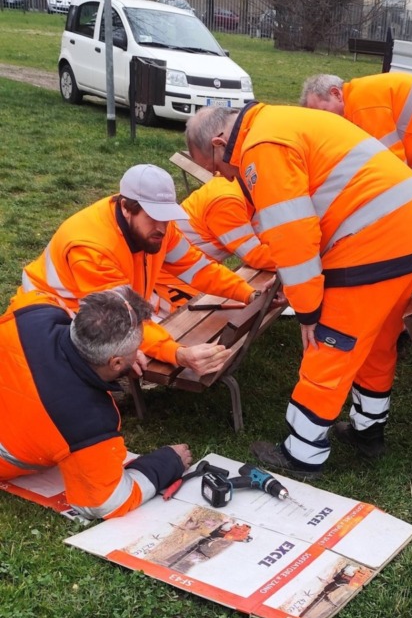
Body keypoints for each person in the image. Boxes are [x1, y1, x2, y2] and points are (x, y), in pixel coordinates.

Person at [185, 102, 412, 472]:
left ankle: (303, 452)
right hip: (408, 233)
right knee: (377, 341)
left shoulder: (261, 148)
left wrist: (308, 310)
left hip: (374, 240)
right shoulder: (278, 120)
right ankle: (368, 432)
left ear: (220, 142)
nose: (225, 177)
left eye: (217, 169)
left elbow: (294, 237)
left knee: (329, 344)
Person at [5, 165, 266, 375]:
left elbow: (197, 268)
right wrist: (178, 353)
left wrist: (248, 293)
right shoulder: (91, 247)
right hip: (53, 310)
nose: (162, 228)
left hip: (104, 301)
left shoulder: (159, 228)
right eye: (153, 216)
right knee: (67, 370)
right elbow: (119, 317)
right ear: (127, 207)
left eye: (166, 216)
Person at [0, 287, 192, 519]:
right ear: (116, 363)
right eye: (137, 347)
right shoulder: (87, 420)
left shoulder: (34, 310)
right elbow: (103, 503)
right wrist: (164, 464)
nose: (140, 351)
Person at [299, 72, 412, 240]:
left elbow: (392, 167)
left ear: (336, 93)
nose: (324, 121)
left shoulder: (362, 105)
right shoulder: (365, 93)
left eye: (323, 111)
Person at [179, 175, 274, 273]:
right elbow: (255, 256)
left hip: (194, 269)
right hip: (183, 274)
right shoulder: (227, 203)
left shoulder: (239, 185)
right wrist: (290, 257)